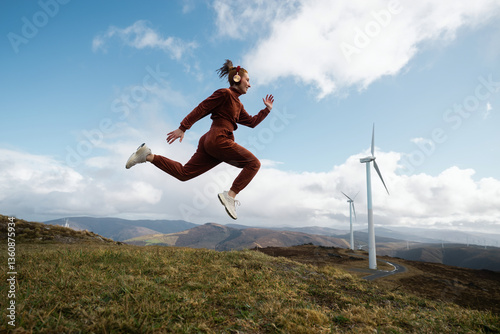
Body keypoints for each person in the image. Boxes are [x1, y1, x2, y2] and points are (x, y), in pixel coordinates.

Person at [125, 59, 274, 220]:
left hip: (210, 142)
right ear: (237, 78)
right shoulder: (225, 94)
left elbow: (251, 123)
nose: (250, 85)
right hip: (219, 138)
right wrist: (183, 127)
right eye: (248, 80)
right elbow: (203, 107)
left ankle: (147, 155)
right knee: (253, 163)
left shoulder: (238, 104)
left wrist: (266, 110)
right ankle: (230, 196)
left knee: (184, 174)